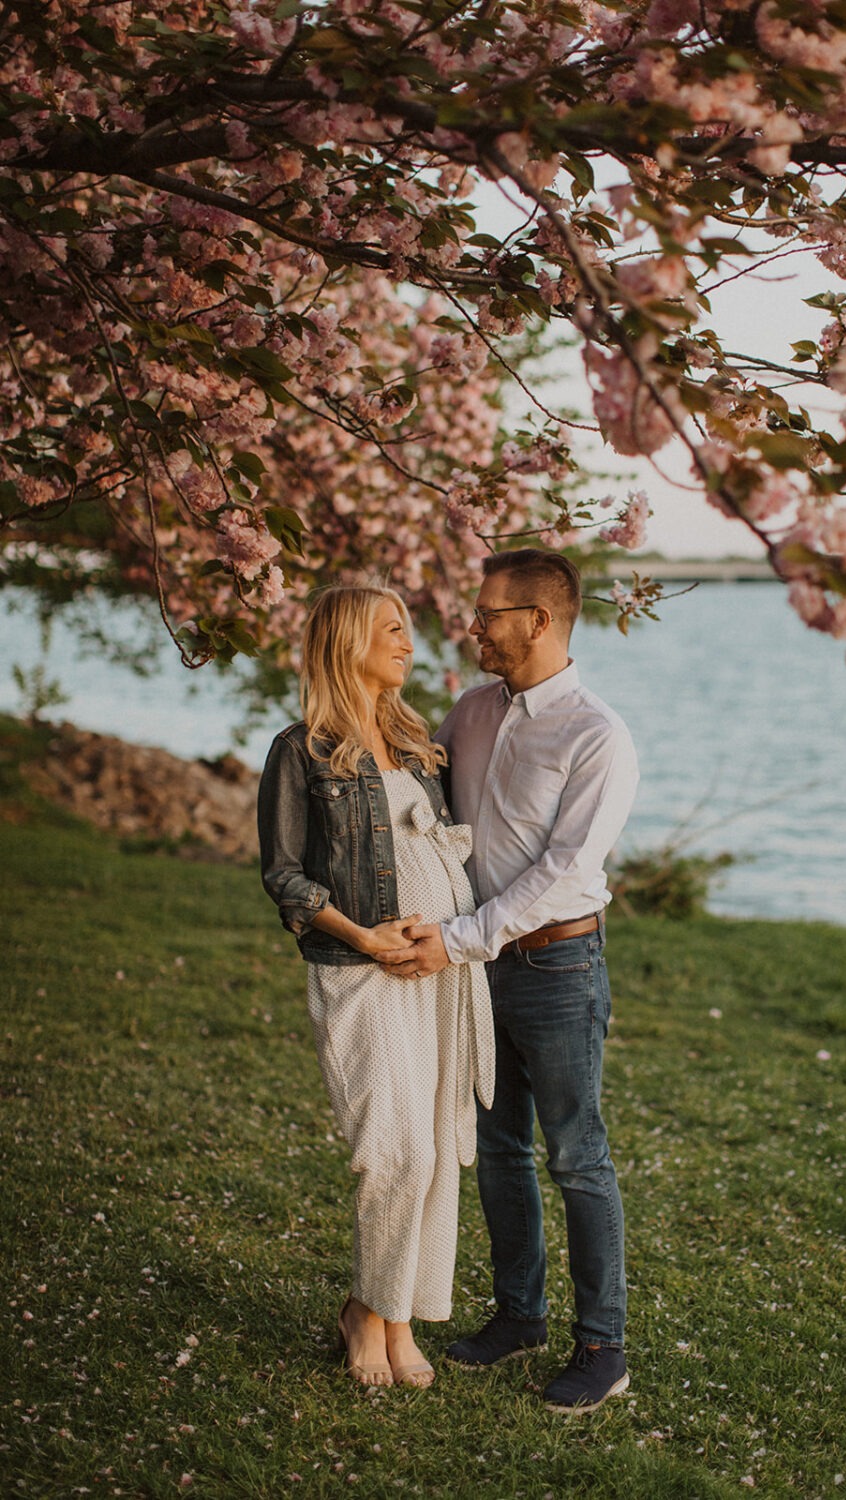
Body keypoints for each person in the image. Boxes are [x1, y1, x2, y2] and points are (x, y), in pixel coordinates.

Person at [392, 549, 639, 1413]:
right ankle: (518, 1316)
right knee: (497, 1149)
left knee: (576, 1157)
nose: (474, 626)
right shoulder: (468, 712)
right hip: (478, 968)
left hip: (561, 966)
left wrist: (461, 939)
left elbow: (565, 870)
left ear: (540, 620)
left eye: (489, 613)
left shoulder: (597, 735)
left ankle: (603, 1348)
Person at [257, 584, 493, 1390]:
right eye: (392, 629)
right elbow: (283, 875)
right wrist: (363, 936)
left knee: (432, 1152)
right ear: (346, 639)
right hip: (362, 975)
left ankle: (394, 1318)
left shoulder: (420, 746)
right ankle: (367, 1312)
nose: (409, 642)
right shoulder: (300, 752)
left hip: (438, 973)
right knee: (393, 1150)